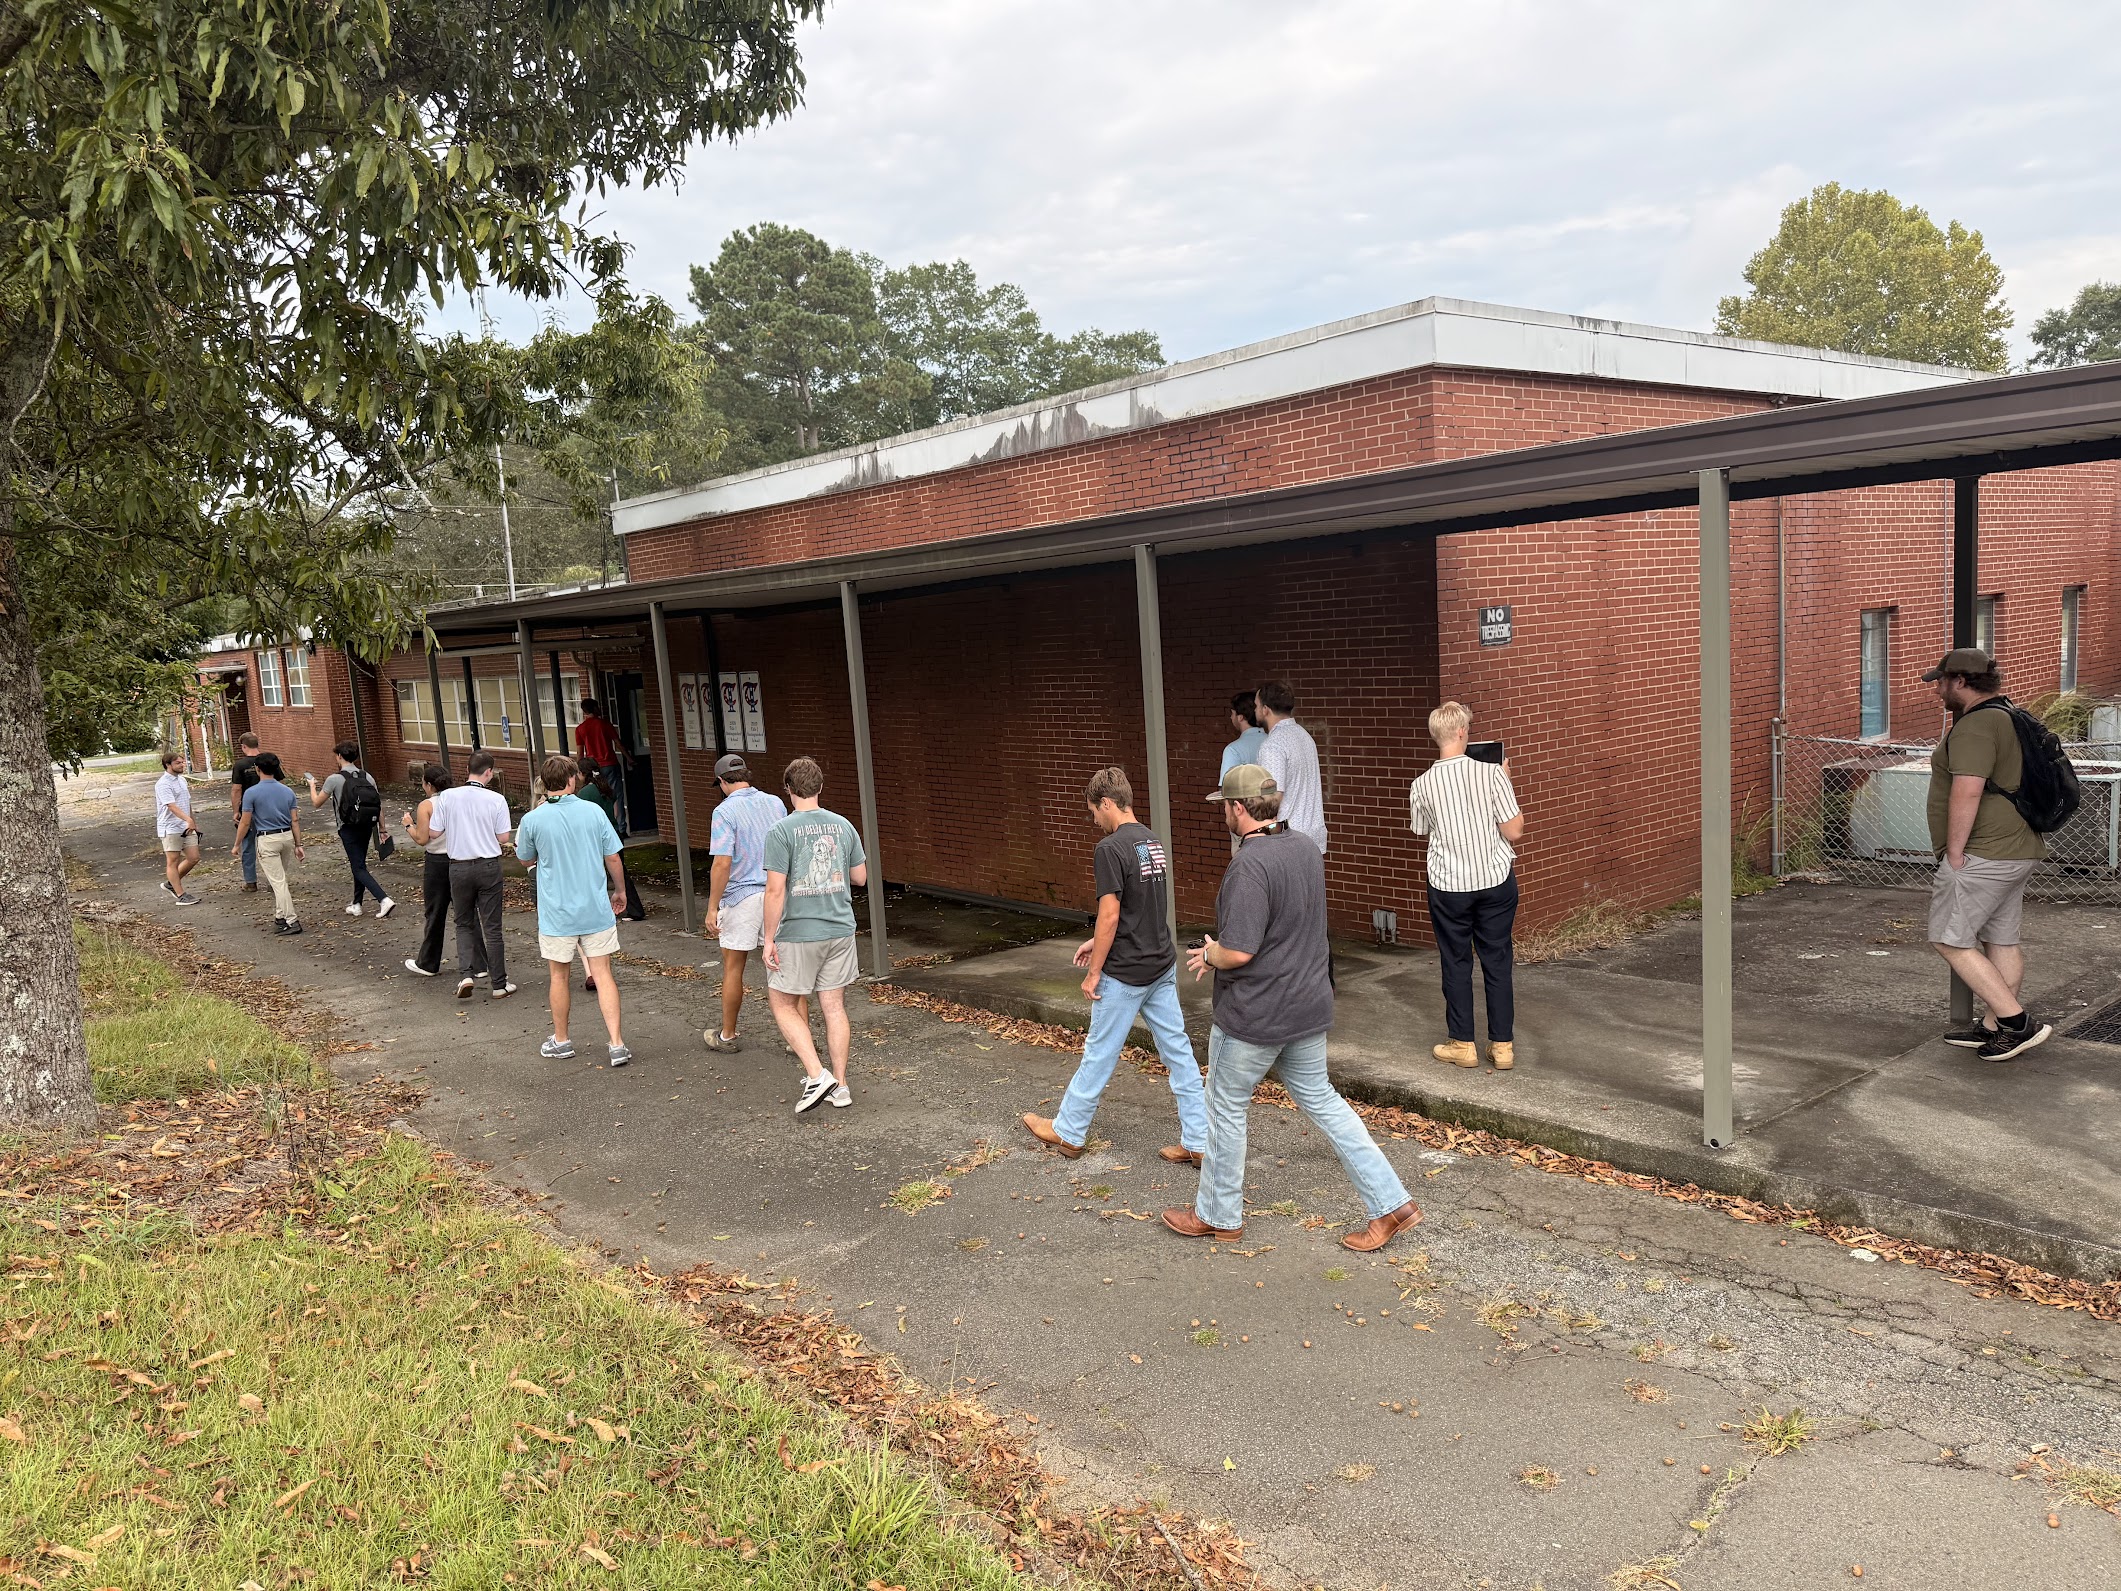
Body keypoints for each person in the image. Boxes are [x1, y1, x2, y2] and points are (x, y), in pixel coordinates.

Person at [1164, 765, 1420, 1252]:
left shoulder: (1249, 865)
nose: (1224, 811)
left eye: (1225, 804)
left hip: (1255, 1016)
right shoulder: (1304, 847)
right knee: (1325, 1103)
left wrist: (1210, 954)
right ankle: (1392, 1205)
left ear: (1238, 809)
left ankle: (1219, 1216)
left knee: (1224, 1108)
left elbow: (1239, 950)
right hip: (1307, 1006)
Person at [1023, 767, 1208, 1165]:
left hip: (1125, 972)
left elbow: (1109, 916)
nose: (1093, 819)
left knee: (1099, 1053)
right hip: (1160, 963)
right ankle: (1200, 1141)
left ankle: (1069, 1132)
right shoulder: (1152, 841)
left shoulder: (1109, 848)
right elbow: (1141, 907)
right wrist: (1097, 941)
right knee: (1178, 1053)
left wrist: (1094, 971)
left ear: (1106, 803)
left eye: (1093, 811)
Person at [1922, 648, 2052, 1062]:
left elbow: (1968, 789)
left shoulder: (1977, 725)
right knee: (2001, 938)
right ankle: (1996, 1027)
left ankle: (2016, 1024)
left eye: (1941, 681)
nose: (1938, 689)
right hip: (2016, 847)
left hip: (1984, 853)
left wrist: (1955, 853)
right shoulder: (2009, 715)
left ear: (1960, 682)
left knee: (1948, 939)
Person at [1408, 702, 1525, 1071]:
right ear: (1461, 732)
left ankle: (1463, 1044)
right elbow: (1514, 831)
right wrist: (1505, 781)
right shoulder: (1492, 774)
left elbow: (1420, 830)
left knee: (1456, 961)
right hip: (1493, 879)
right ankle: (1502, 1046)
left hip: (1448, 884)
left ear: (1436, 736)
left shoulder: (1421, 784)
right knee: (1497, 959)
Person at [761, 757, 866, 1113]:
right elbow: (860, 877)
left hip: (799, 932)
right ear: (820, 787)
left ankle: (816, 1073)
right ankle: (841, 1085)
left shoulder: (781, 831)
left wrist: (769, 938)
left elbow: (775, 891)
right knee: (834, 1007)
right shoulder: (844, 826)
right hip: (840, 928)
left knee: (782, 1002)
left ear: (788, 790)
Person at [515, 755, 632, 1068]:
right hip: (594, 908)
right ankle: (617, 1044)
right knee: (604, 974)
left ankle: (562, 1040)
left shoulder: (533, 819)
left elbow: (525, 860)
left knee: (559, 976)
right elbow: (613, 857)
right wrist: (619, 891)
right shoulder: (593, 811)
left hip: (557, 913)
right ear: (571, 780)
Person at [701, 752, 787, 1054]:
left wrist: (712, 907)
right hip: (777, 893)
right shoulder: (776, 803)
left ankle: (727, 1034)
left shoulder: (724, 812)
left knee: (733, 968)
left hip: (741, 896)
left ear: (723, 782)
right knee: (785, 968)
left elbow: (722, 863)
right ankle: (796, 1038)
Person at [426, 749, 516, 999]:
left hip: (458, 866)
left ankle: (466, 974)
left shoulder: (448, 797)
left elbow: (434, 833)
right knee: (493, 927)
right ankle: (499, 983)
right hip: (488, 865)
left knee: (463, 923)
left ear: (467, 769)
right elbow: (503, 837)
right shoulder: (496, 799)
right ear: (489, 772)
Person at [398, 765, 485, 983]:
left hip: (437, 861)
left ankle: (428, 962)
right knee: (467, 912)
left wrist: (408, 825)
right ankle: (479, 964)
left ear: (428, 784)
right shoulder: (460, 799)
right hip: (460, 857)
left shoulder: (427, 805)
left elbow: (422, 838)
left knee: (435, 912)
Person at [306, 742, 395, 919]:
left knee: (358, 867)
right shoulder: (367, 777)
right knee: (359, 864)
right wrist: (382, 828)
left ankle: (383, 899)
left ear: (339, 756)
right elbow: (378, 805)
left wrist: (312, 786)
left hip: (348, 827)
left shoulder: (334, 779)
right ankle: (356, 904)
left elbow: (316, 803)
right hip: (366, 825)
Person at [232, 752, 305, 934]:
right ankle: (280, 917)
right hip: (287, 836)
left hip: (267, 838)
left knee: (278, 883)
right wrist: (298, 844)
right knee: (279, 879)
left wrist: (237, 843)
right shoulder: (288, 791)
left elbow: (246, 822)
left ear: (257, 769)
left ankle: (292, 920)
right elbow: (294, 820)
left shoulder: (251, 793)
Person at [1253, 680, 1328, 854]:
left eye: (1256, 706)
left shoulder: (1273, 745)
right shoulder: (1304, 736)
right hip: (1312, 837)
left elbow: (1272, 798)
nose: (1255, 710)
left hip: (1286, 840)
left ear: (1266, 709)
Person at [575, 757, 645, 921]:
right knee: (620, 872)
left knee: (595, 873)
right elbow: (615, 812)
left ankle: (603, 910)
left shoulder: (584, 793)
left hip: (597, 836)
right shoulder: (606, 788)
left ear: (582, 773)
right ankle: (634, 908)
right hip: (614, 833)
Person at [154, 749, 203, 905]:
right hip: (170, 827)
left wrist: (192, 822)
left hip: (186, 826)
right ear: (168, 765)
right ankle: (180, 894)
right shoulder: (163, 784)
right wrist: (187, 819)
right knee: (173, 861)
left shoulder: (182, 780)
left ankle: (171, 883)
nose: (182, 765)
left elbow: (186, 803)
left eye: (183, 762)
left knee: (193, 858)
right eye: (178, 763)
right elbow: (171, 806)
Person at [573, 697, 628, 833]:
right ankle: (620, 827)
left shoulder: (580, 729)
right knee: (616, 795)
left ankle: (603, 827)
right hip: (610, 763)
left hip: (593, 767)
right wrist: (629, 758)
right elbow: (618, 743)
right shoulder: (604, 724)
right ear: (595, 708)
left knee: (597, 796)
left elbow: (580, 752)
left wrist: (580, 768)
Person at [229, 732, 263, 891]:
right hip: (268, 809)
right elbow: (281, 783)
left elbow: (237, 789)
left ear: (244, 746)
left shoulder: (240, 765)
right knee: (268, 843)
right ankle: (275, 879)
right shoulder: (269, 760)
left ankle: (251, 882)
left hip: (248, 809)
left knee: (247, 844)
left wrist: (236, 811)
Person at [1220, 692, 1266, 776]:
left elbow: (1227, 786)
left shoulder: (1233, 750)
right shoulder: (1272, 741)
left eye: (1232, 713)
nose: (1231, 717)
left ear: (1240, 717)